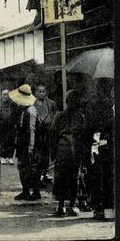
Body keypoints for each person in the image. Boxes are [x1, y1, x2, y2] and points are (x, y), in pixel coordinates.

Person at [49, 89, 85, 217]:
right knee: (74, 178)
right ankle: (72, 206)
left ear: (67, 101)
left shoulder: (59, 116)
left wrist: (53, 154)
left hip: (62, 151)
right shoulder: (80, 117)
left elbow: (52, 135)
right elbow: (83, 136)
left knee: (61, 178)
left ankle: (61, 205)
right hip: (75, 151)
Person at [84, 79, 114, 220]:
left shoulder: (92, 104)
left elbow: (90, 127)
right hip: (109, 145)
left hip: (97, 145)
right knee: (108, 177)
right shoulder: (110, 104)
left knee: (97, 176)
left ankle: (99, 209)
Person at [9, 84, 41, 201]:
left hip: (29, 145)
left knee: (28, 168)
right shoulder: (25, 110)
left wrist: (31, 148)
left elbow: (32, 130)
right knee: (26, 168)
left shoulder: (30, 111)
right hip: (24, 144)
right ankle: (27, 191)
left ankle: (31, 191)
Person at [33, 83, 58, 185]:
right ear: (36, 92)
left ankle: (45, 173)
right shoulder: (32, 103)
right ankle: (37, 176)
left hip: (48, 132)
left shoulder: (51, 104)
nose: (42, 93)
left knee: (46, 155)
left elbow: (56, 115)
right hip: (36, 133)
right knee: (37, 155)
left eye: (44, 91)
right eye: (40, 91)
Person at [0, 90, 16, 164]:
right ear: (2, 96)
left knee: (11, 141)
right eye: (4, 95)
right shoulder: (0, 105)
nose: (5, 96)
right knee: (3, 141)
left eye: (7, 95)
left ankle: (10, 157)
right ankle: (3, 157)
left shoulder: (12, 105)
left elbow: (15, 114)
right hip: (2, 126)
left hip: (11, 126)